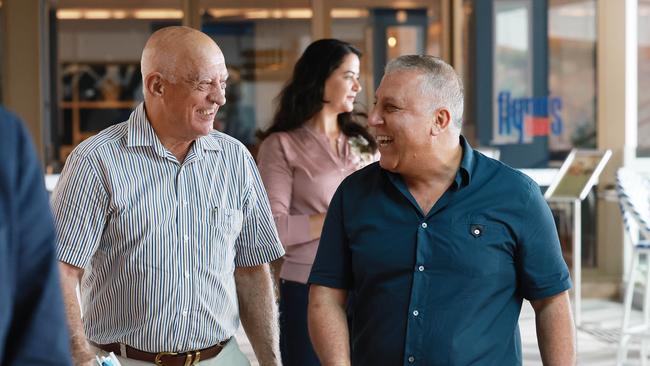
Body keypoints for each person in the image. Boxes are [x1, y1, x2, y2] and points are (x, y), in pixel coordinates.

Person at [308, 55, 576, 365]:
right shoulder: (353, 195)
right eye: (376, 104)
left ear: (440, 120)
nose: (373, 119)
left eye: (391, 108)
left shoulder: (517, 195)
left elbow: (551, 302)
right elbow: (326, 296)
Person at [51, 26, 285, 366]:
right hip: (127, 359)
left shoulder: (235, 159)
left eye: (223, 83)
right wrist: (81, 356)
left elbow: (252, 269)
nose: (219, 98)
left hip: (224, 358)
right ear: (157, 85)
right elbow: (59, 270)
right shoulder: (95, 162)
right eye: (204, 83)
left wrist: (271, 362)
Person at [256, 38, 376, 366]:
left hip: (369, 284)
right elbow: (272, 231)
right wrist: (340, 217)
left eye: (357, 77)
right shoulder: (280, 146)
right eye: (348, 76)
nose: (357, 85)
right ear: (321, 77)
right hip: (306, 288)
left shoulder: (363, 144)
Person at [0, 107, 72, 365]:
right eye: (201, 83)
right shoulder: (97, 157)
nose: (209, 96)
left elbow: (38, 337)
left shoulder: (7, 143)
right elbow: (67, 268)